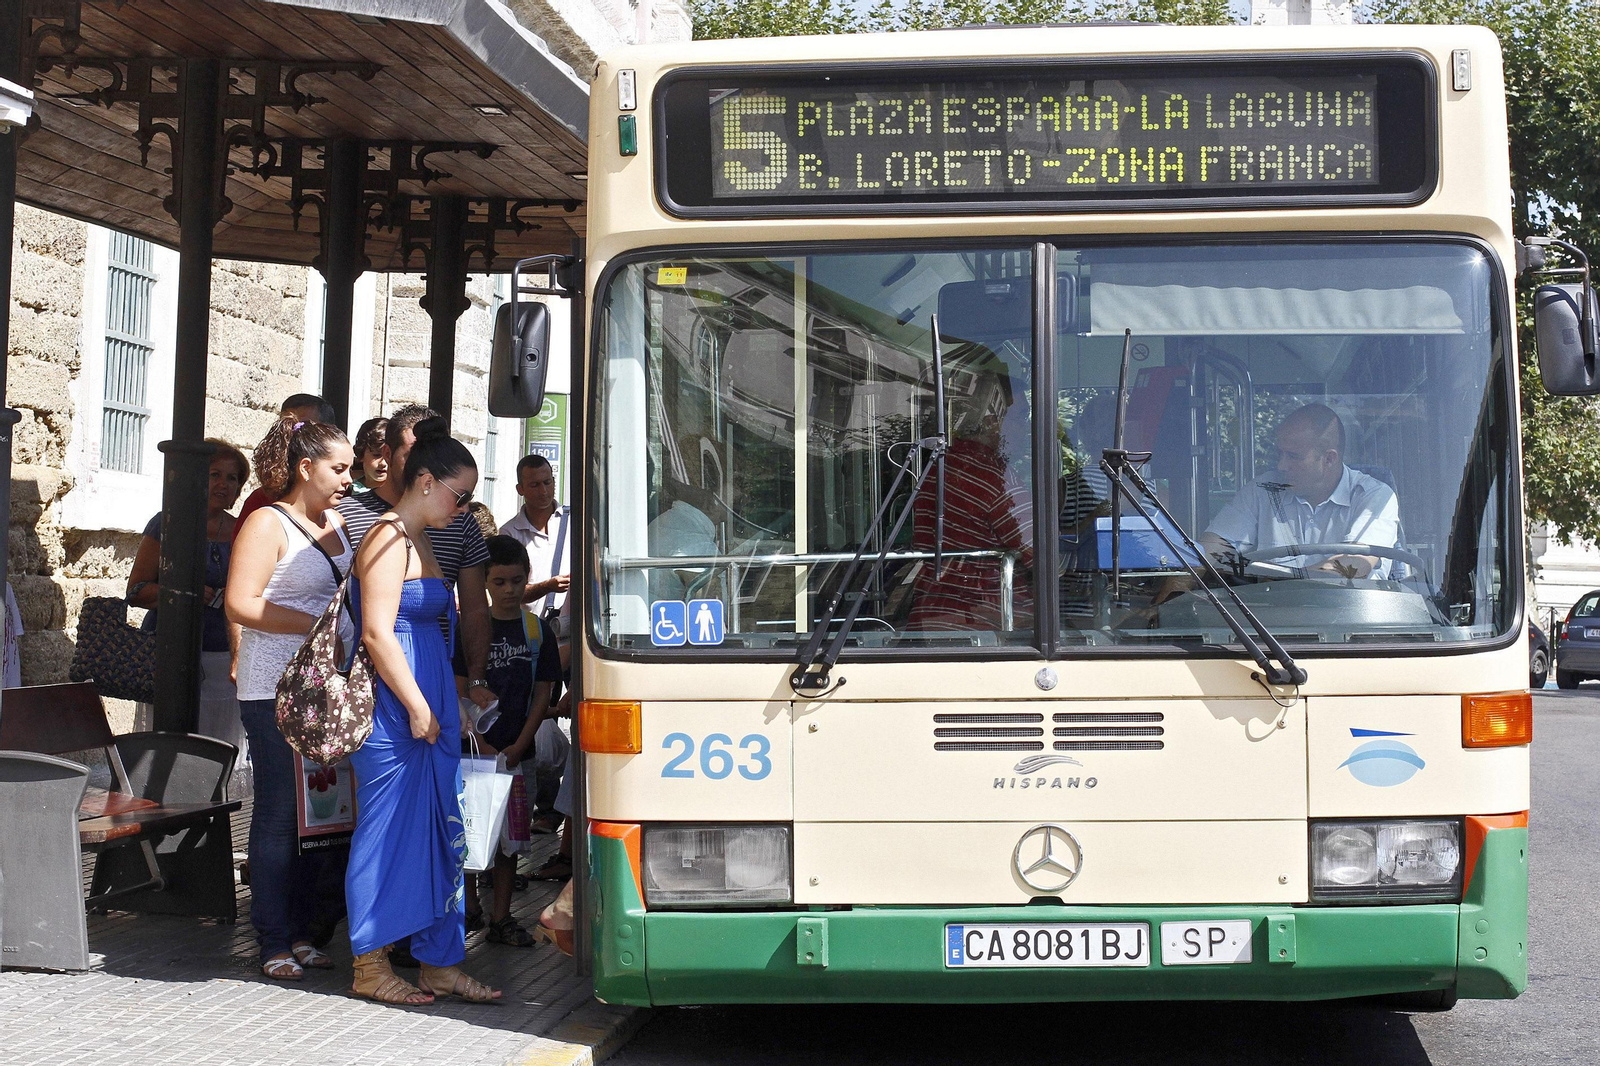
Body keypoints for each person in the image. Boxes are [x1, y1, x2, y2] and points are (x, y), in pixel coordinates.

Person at [346, 417, 500, 1005]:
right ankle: (369, 965)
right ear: (428, 480)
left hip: (426, 695)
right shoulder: (386, 537)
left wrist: (449, 701)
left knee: (442, 831)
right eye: (459, 495)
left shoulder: (424, 538)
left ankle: (438, 962)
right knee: (386, 832)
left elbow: (426, 633)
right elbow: (378, 634)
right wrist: (417, 704)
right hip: (397, 705)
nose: (464, 508)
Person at [223, 418, 355, 981]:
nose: (349, 479)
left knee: (323, 816)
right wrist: (311, 625)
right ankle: (273, 935)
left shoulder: (340, 524)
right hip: (274, 687)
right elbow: (240, 603)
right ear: (306, 468)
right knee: (280, 813)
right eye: (339, 468)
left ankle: (306, 930)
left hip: (328, 686)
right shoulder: (265, 523)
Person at [453, 535, 561, 947]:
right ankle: (470, 909)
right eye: (499, 582)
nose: (510, 590)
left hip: (518, 756)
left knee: (510, 840)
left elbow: (542, 692)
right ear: (483, 581)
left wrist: (520, 743)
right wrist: (484, 744)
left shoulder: (536, 631)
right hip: (474, 756)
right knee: (469, 831)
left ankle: (501, 917)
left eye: (517, 581)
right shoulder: (470, 629)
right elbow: (460, 690)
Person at [127, 438, 250, 773]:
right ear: (197, 477)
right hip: (171, 654)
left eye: (233, 478)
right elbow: (136, 590)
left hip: (223, 658)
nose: (223, 484)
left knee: (218, 757)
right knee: (169, 756)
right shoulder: (167, 522)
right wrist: (187, 591)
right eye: (214, 475)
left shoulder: (245, 529)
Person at [907, 353, 1034, 631]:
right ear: (992, 420)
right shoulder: (996, 477)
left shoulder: (939, 465)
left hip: (932, 610)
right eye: (1021, 416)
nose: (1025, 426)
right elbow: (1036, 551)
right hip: (983, 619)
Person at [1201, 403, 1399, 578]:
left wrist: (1272, 583)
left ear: (1329, 459)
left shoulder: (1375, 497)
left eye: (1293, 456)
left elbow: (1352, 566)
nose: (1281, 465)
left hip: (1350, 615)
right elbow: (1211, 548)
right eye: (1280, 454)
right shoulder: (1263, 490)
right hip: (1267, 617)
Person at [233, 394, 339, 537]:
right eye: (289, 426)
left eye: (304, 428)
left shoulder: (347, 499)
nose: (292, 435)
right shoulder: (262, 499)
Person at [352, 417, 389, 494]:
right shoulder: (348, 488)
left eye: (388, 456)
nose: (383, 463)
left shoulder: (397, 493)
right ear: (361, 455)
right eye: (376, 455)